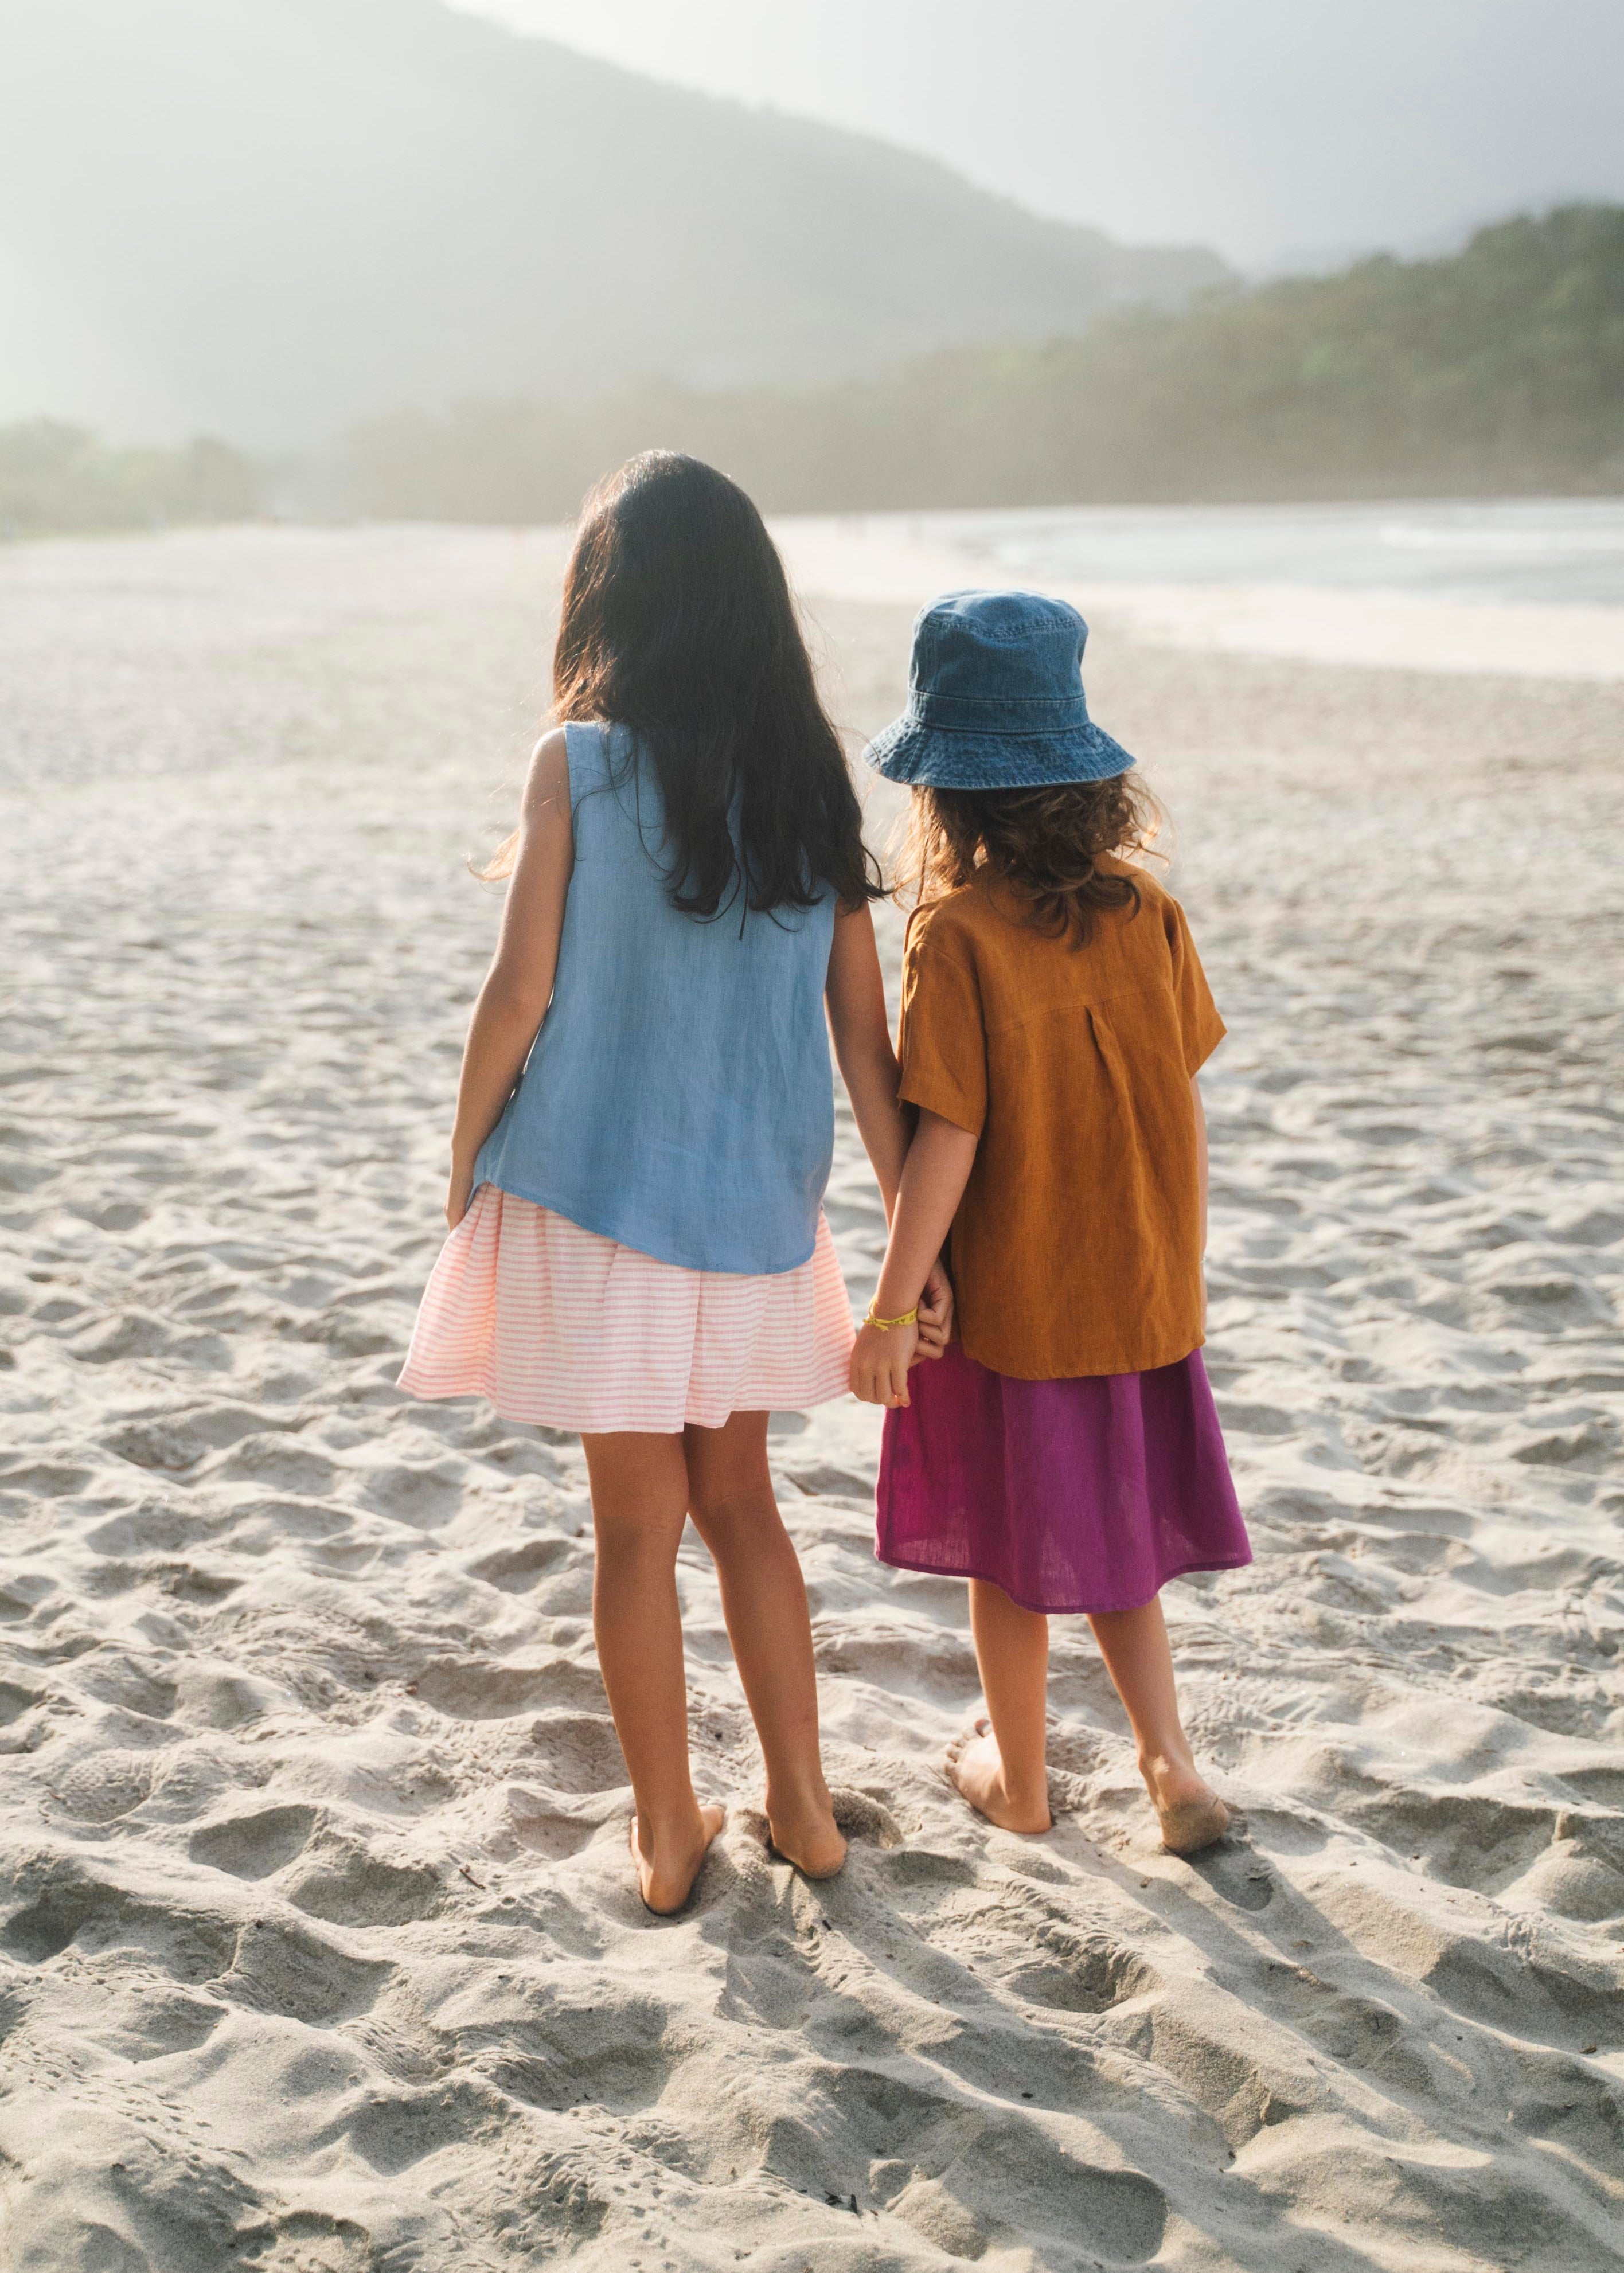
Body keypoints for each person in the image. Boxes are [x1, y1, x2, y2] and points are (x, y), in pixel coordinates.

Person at [400, 453, 949, 1913]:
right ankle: (809, 1809)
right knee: (745, 1505)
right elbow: (864, 1038)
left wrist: (463, 1162)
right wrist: (906, 1225)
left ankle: (664, 1833)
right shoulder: (810, 788)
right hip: (754, 1212)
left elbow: (516, 993)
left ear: (612, 602)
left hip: (595, 1200)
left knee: (633, 1525)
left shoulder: (575, 763)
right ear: (757, 609)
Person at [849, 589, 1250, 1855]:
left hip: (1022, 1296)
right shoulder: (1150, 911)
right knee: (1121, 1541)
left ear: (946, 791)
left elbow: (948, 1140)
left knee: (1005, 1552)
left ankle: (1018, 1782)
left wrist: (894, 1300)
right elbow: (1171, 1077)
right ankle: (1170, 1763)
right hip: (1137, 1282)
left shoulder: (953, 936)